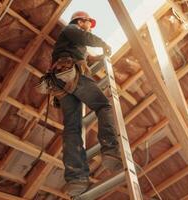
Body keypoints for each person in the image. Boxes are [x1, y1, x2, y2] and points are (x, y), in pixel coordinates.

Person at [51, 11, 122, 196]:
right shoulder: (72, 29)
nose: (90, 26)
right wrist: (103, 44)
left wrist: (98, 58)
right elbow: (85, 37)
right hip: (72, 73)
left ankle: (76, 178)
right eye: (89, 23)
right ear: (81, 21)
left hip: (61, 82)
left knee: (72, 127)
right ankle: (110, 150)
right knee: (103, 106)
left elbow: (84, 55)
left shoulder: (71, 43)